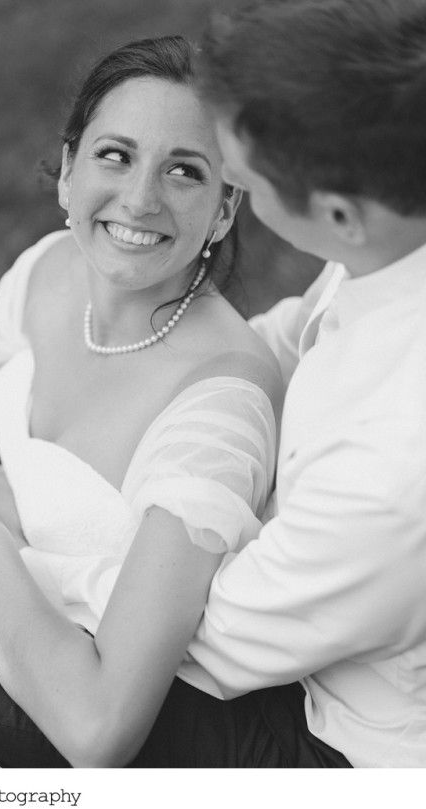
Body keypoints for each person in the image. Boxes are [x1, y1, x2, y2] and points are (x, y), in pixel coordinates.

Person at [28, 0, 426, 767]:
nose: (148, 198)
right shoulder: (394, 239)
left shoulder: (394, 472)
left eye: (234, 172)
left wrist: (20, 553)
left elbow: (200, 635)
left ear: (341, 214)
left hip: (344, 746)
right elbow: (299, 331)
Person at [0, 36, 284, 766]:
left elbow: (101, 730)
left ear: (223, 209)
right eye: (115, 155)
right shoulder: (46, 268)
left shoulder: (219, 400)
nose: (140, 198)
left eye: (184, 171)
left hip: (78, 698)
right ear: (68, 171)